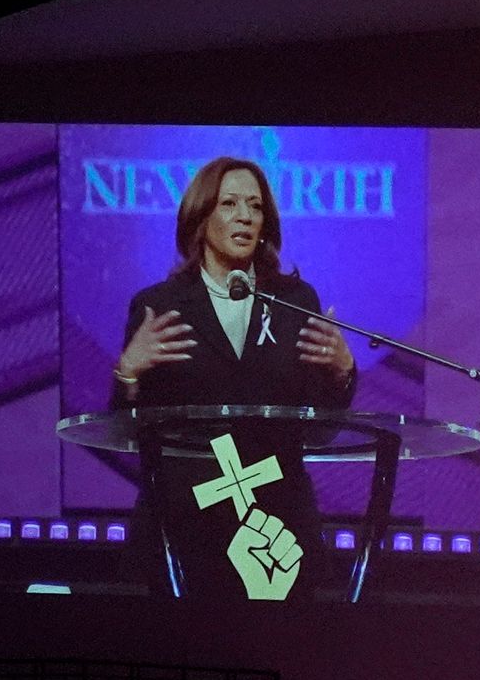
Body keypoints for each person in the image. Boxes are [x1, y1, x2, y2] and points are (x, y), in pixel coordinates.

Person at [111, 156, 358, 602]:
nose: (245, 216)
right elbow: (129, 429)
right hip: (185, 523)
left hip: (277, 524)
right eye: (229, 203)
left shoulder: (295, 302)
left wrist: (342, 372)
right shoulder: (160, 307)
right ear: (201, 218)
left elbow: (321, 427)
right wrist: (128, 372)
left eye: (255, 206)